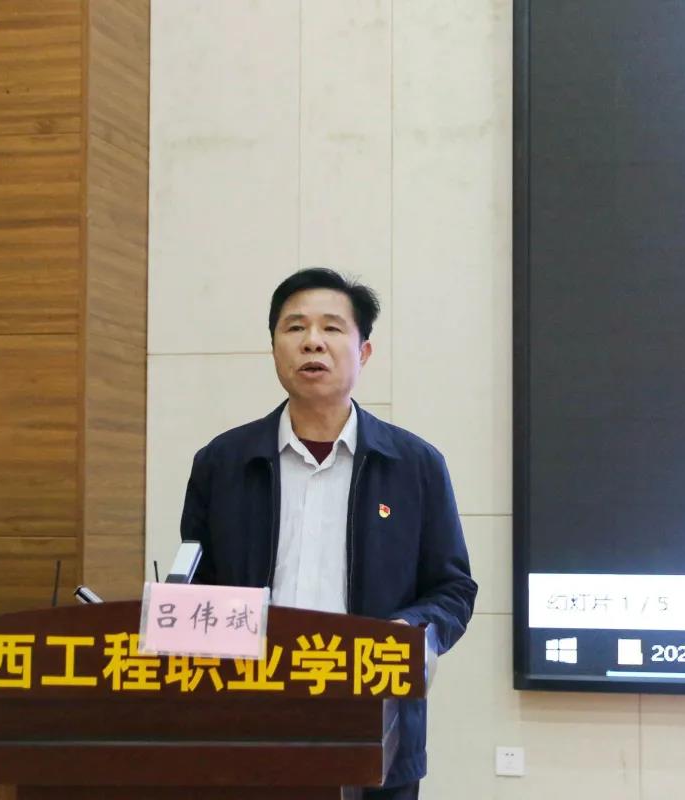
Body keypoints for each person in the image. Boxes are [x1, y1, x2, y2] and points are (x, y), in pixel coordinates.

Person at [180, 267, 477, 798]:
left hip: (374, 729)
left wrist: (409, 630)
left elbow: (453, 590)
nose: (312, 341)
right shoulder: (222, 463)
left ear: (364, 352)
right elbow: (197, 586)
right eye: (294, 327)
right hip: (247, 727)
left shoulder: (416, 465)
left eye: (332, 328)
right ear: (274, 349)